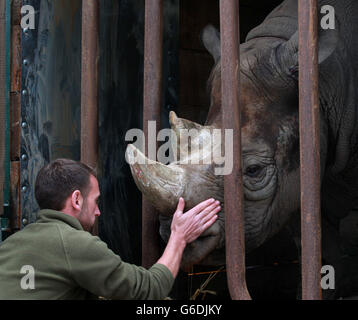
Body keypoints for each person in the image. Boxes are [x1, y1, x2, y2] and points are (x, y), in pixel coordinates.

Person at [0, 159, 220, 300]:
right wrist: (179, 237)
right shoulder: (74, 243)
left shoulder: (9, 245)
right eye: (95, 201)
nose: (98, 212)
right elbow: (150, 290)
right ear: (77, 200)